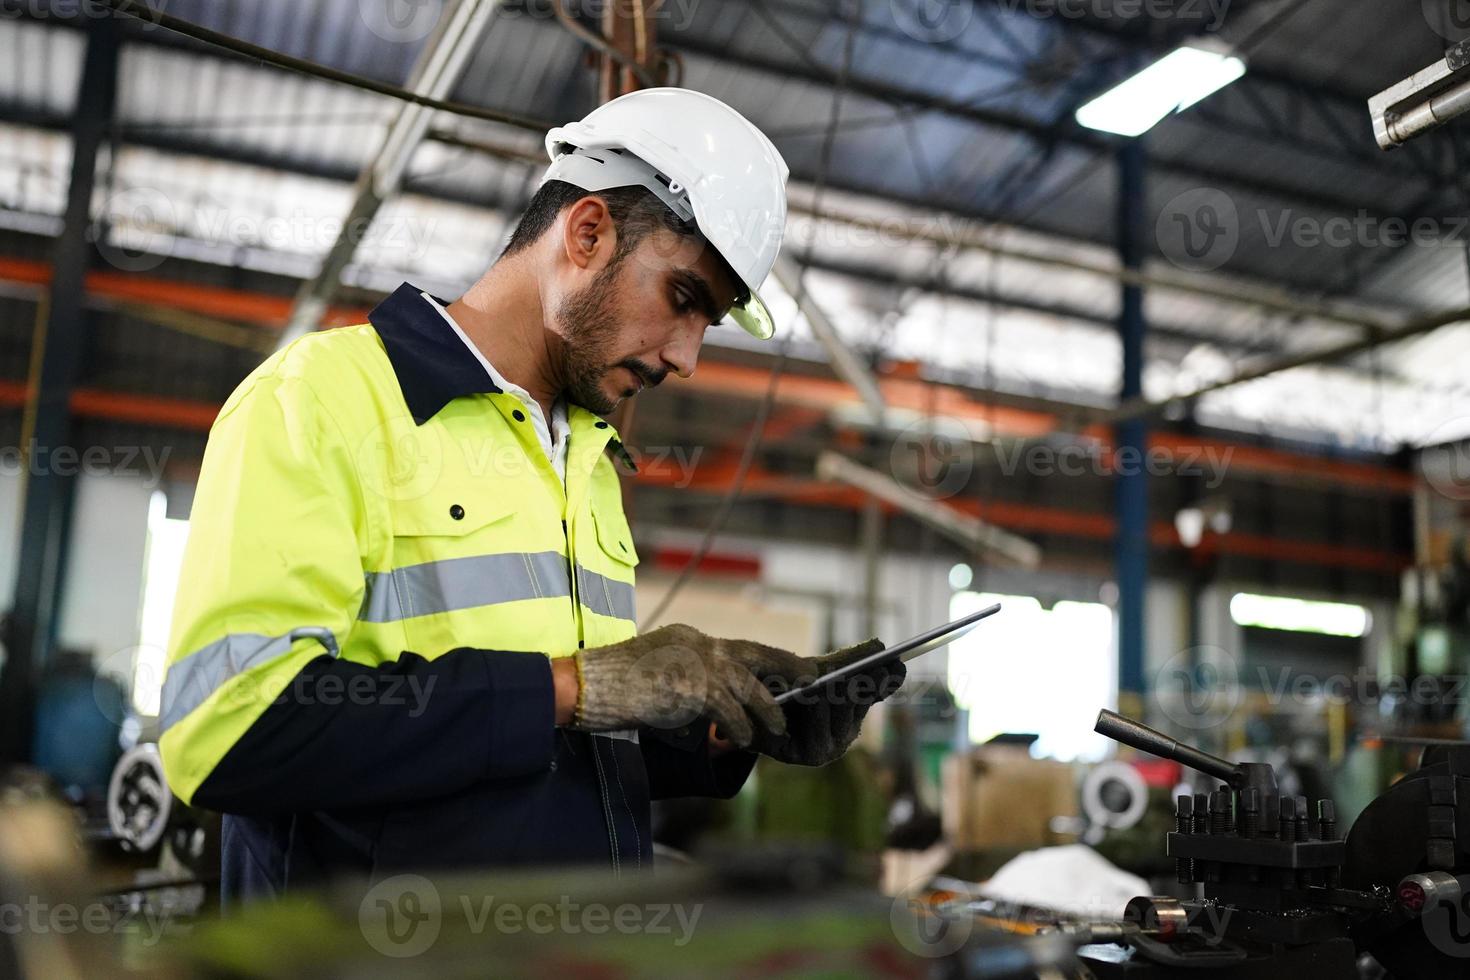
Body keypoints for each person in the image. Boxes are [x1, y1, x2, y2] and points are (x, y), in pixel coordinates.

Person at [157, 88, 905, 903]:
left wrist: (727, 722)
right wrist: (577, 684)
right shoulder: (326, 400)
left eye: (709, 322)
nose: (687, 356)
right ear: (587, 233)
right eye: (684, 299)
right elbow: (230, 729)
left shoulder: (583, 458)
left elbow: (548, 750)